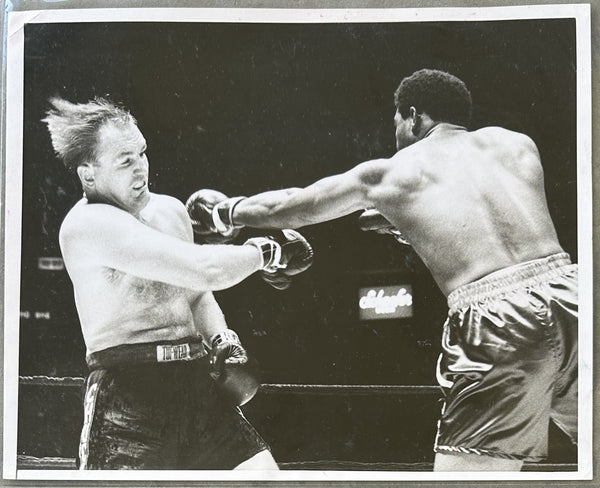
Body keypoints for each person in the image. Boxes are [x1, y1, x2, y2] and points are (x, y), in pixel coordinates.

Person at [187, 68, 578, 471]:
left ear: (413, 116)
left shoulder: (393, 172)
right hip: (574, 295)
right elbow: (488, 217)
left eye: (397, 122)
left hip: (497, 322)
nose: (396, 134)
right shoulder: (516, 145)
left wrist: (225, 213)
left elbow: (296, 205)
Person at [42, 96, 313, 470]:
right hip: (128, 392)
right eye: (125, 161)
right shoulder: (87, 226)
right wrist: (267, 252)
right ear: (88, 174)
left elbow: (197, 293)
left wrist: (222, 339)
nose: (141, 169)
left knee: (262, 474)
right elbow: (204, 268)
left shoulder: (169, 210)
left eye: (142, 153)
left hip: (194, 380)